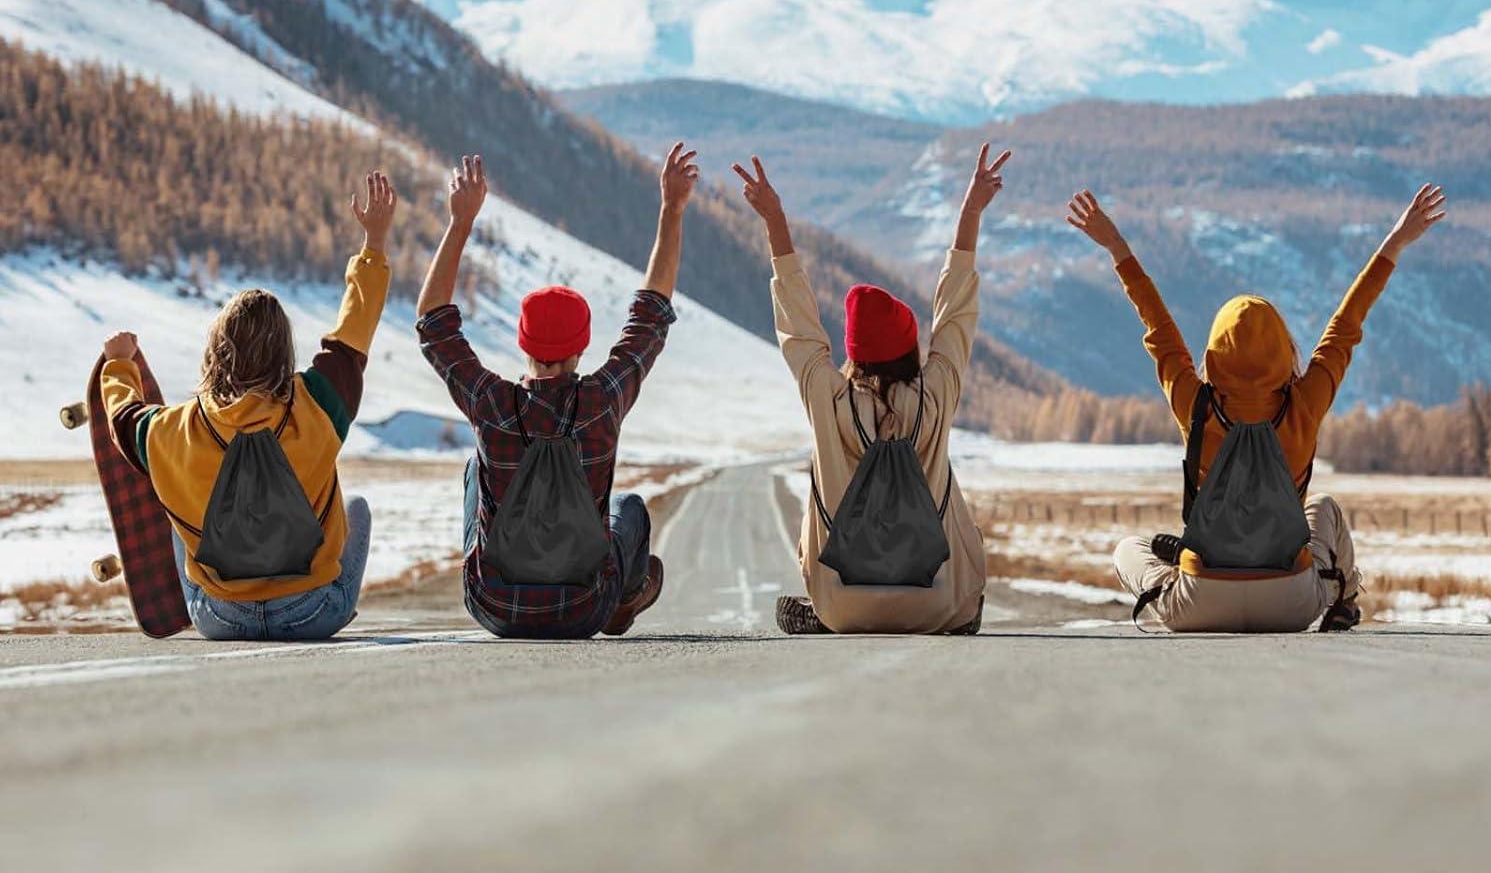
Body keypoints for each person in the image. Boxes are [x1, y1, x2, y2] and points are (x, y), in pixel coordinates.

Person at [1065, 182, 1448, 632]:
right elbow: (1347, 324)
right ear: (1285, 351)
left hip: (1199, 603)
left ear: (1212, 356)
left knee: (1128, 548)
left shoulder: (1196, 405)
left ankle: (1184, 564)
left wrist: (1117, 246)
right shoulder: (1304, 403)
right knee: (1324, 506)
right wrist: (1395, 241)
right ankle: (1342, 601)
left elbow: (1160, 331)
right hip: (1291, 603)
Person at [101, 172, 398, 641]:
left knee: (174, 500)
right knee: (354, 505)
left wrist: (118, 367)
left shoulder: (175, 431)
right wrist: (374, 241)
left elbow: (122, 420)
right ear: (285, 350)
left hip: (218, 618)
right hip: (314, 613)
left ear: (215, 352)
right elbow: (354, 328)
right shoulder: (319, 402)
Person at [415, 147, 698, 640]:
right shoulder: (602, 401)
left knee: (474, 470)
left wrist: (461, 222)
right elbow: (651, 314)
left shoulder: (492, 404)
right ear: (582, 345)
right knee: (627, 509)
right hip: (583, 609)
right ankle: (622, 599)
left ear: (522, 342)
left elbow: (433, 325)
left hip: (494, 606)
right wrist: (671, 209)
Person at [733, 147, 1008, 635]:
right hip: (934, 606)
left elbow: (797, 325)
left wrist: (774, 220)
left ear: (852, 353)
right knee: (951, 495)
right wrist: (970, 213)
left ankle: (836, 604)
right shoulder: (934, 396)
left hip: (841, 612)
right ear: (910, 349)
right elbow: (955, 315)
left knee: (818, 506)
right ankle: (956, 607)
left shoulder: (826, 395)